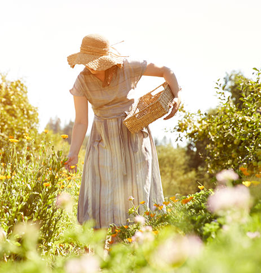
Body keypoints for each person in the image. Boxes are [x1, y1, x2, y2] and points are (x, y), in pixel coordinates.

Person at [65, 34, 182, 229]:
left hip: (133, 139)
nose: (91, 67)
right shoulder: (82, 80)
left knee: (137, 194)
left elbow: (165, 71)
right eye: (87, 62)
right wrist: (73, 153)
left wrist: (177, 95)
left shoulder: (127, 67)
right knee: (103, 197)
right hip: (103, 141)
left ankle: (137, 247)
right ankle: (105, 252)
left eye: (95, 62)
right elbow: (80, 122)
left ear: (107, 59)